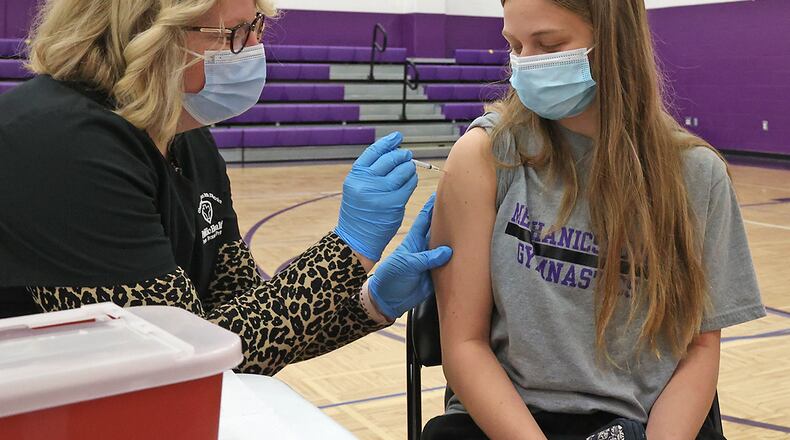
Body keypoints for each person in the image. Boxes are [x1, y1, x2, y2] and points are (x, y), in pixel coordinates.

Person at [0, 0, 452, 376]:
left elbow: (240, 315)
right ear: (150, 35)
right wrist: (347, 250)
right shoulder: (61, 144)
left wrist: (369, 302)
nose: (253, 48)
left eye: (256, 26)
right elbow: (182, 354)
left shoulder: (185, 135)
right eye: (234, 33)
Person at [428, 0, 765, 439]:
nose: (524, 66)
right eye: (513, 45)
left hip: (647, 422)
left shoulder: (697, 175)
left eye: (548, 44)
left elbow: (699, 348)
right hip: (509, 419)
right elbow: (464, 345)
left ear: (613, 42)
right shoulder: (486, 155)